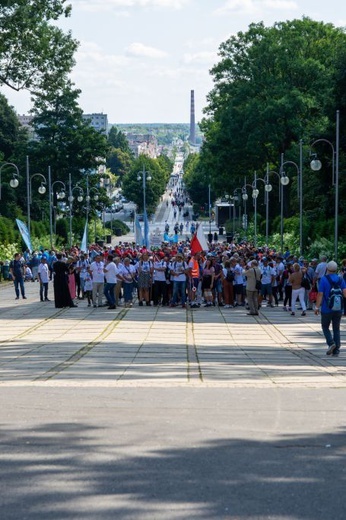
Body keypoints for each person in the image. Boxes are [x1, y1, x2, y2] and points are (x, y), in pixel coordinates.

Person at [315, 260, 346, 356]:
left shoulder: (324, 279)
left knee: (325, 327)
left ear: (327, 269)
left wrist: (317, 307)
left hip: (326, 308)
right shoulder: (341, 279)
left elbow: (320, 294)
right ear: (336, 269)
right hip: (338, 308)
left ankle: (331, 343)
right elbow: (345, 293)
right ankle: (336, 350)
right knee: (336, 328)